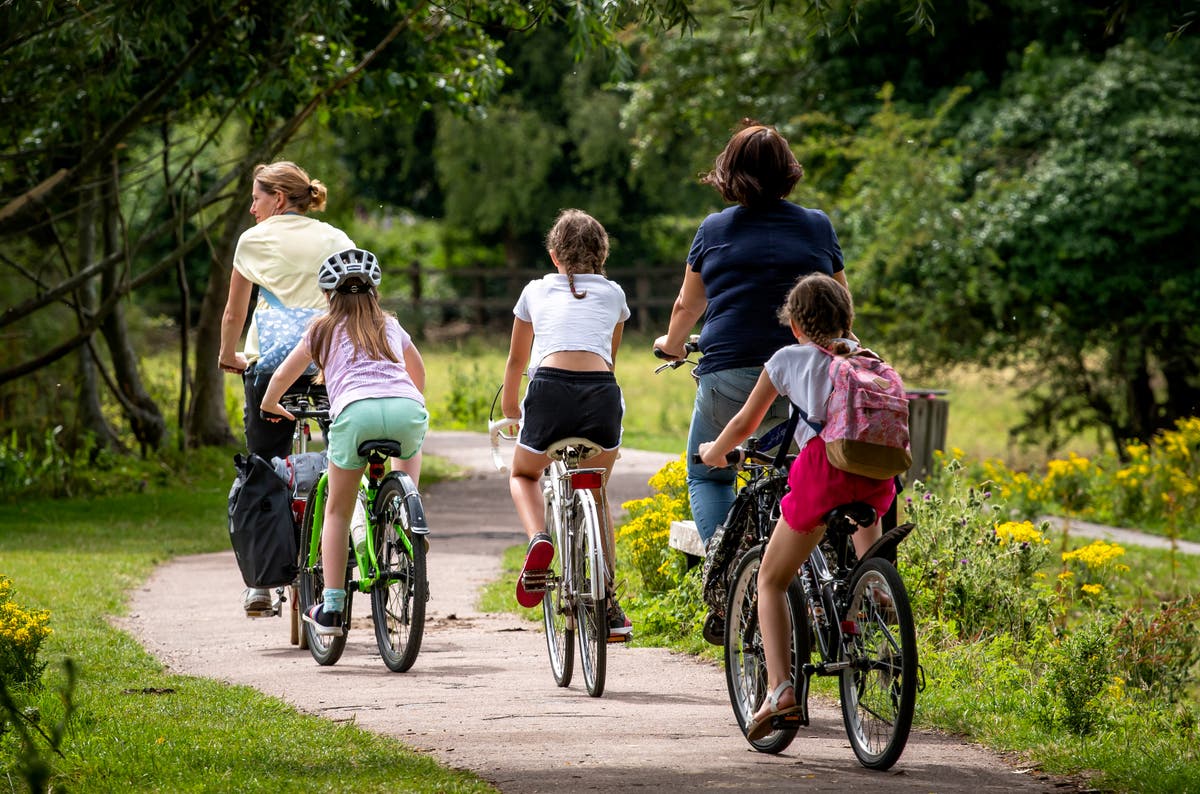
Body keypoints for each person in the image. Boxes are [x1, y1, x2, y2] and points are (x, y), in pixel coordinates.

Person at [698, 274, 895, 740]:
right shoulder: (867, 358)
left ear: (795, 326)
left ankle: (780, 691)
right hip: (877, 475)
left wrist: (713, 452)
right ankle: (875, 588)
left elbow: (746, 422)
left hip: (823, 475)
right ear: (847, 318)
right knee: (867, 546)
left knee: (770, 579)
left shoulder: (788, 359)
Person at [653, 120, 850, 548]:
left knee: (708, 470)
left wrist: (670, 346)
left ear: (729, 173)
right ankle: (810, 580)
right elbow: (841, 303)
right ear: (788, 172)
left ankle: (730, 575)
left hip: (730, 374)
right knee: (807, 472)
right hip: (806, 377)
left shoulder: (714, 229)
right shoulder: (818, 226)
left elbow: (689, 305)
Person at [260, 248, 428, 637]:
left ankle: (333, 609)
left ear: (327, 295)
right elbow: (417, 370)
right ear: (374, 292)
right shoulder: (390, 325)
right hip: (406, 409)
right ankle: (405, 525)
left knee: (337, 510)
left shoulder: (321, 329)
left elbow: (285, 375)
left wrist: (271, 404)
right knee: (408, 470)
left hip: (354, 414)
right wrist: (409, 404)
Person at [219, 161, 355, 615]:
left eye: (256, 199)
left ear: (278, 197)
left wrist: (228, 355)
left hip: (271, 368)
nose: (252, 209)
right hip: (328, 367)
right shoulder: (337, 239)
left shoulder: (252, 241)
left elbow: (234, 314)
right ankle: (348, 549)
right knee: (344, 456)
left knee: (261, 462)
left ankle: (259, 582)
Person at [500, 209, 633, 641]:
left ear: (554, 254)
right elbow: (608, 359)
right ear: (602, 254)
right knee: (594, 491)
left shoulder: (534, 290)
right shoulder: (614, 294)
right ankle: (608, 604)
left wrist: (510, 406)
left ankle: (539, 537)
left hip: (550, 389)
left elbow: (519, 360)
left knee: (523, 472)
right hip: (600, 395)